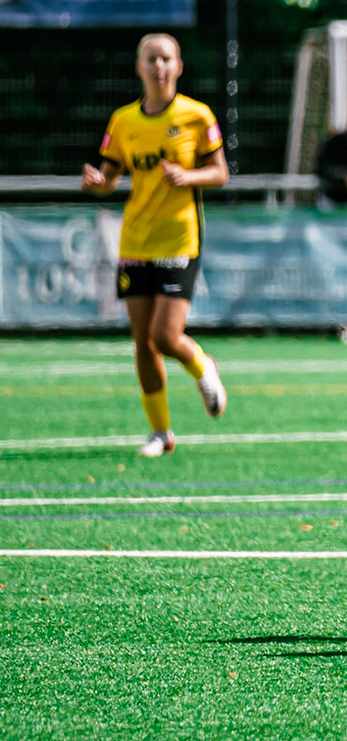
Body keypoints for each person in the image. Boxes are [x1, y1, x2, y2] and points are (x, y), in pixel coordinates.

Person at [80, 33, 230, 458]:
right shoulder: (124, 121)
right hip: (135, 239)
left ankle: (203, 367)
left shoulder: (197, 116)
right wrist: (98, 183)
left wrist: (189, 177)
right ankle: (161, 433)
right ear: (139, 67)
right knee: (143, 341)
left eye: (166, 58)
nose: (159, 66)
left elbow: (219, 172)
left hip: (179, 237)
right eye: (151, 59)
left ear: (179, 66)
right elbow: (111, 177)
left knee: (166, 336)